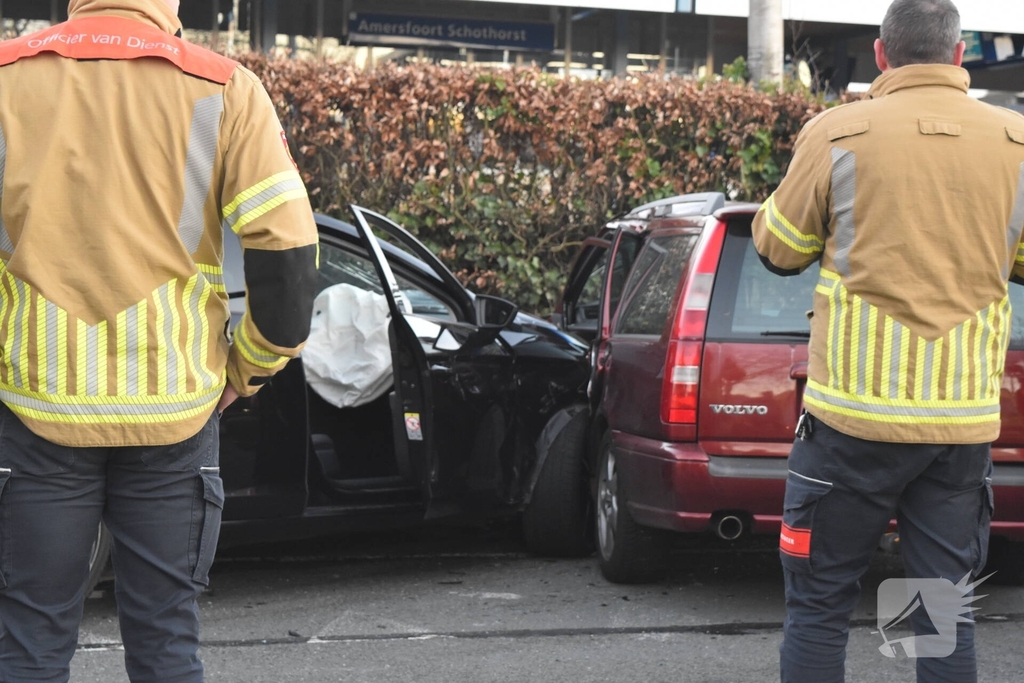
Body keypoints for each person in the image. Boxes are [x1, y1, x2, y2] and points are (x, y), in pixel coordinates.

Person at [0, 1, 318, 681]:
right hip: (174, 416)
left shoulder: (6, 77)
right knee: (166, 639)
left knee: (28, 636)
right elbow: (288, 253)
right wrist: (248, 370)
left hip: (37, 410)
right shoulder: (226, 88)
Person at [752, 0, 1024, 681]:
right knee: (936, 608)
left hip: (852, 422)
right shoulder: (1017, 143)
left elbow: (778, 248)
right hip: (958, 427)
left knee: (820, 603)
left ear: (882, 55)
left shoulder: (839, 132)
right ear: (959, 56)